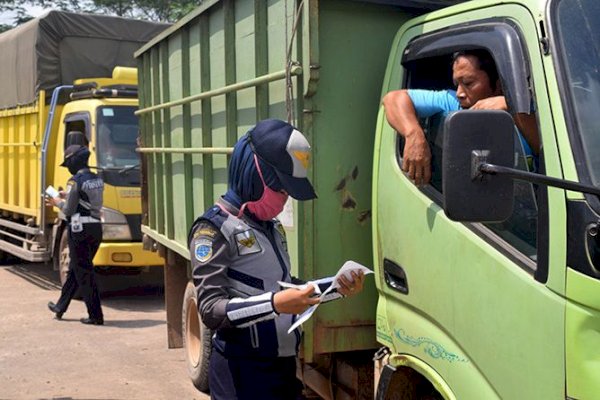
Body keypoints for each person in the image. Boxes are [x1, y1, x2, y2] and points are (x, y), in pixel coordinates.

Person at [188, 119, 365, 400]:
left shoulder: (271, 227)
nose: (284, 200)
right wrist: (274, 304)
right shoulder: (214, 229)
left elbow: (283, 286)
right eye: (281, 189)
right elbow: (211, 310)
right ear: (256, 176)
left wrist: (336, 288)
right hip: (240, 375)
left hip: (282, 369)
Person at [382, 49, 540, 186]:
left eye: (468, 83)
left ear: (498, 83)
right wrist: (414, 135)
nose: (459, 93)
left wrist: (511, 105)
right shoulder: (454, 103)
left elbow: (543, 151)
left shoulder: (526, 111)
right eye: (456, 84)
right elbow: (392, 99)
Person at [47, 144, 105, 325]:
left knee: (84, 272)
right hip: (95, 229)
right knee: (76, 269)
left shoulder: (75, 181)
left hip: (79, 231)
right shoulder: (97, 179)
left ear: (73, 162)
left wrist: (57, 201)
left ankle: (95, 315)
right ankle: (60, 306)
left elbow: (69, 209)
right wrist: (68, 195)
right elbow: (85, 199)